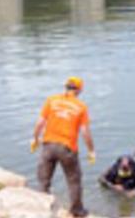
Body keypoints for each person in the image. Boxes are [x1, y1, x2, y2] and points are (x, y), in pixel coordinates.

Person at [31, 76, 95, 218]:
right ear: (79, 90)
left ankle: (42, 207)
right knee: (74, 180)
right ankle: (77, 210)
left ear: (65, 86)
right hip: (67, 148)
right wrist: (91, 151)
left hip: (48, 145)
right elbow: (85, 132)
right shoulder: (81, 107)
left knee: (44, 179)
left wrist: (35, 139)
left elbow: (40, 122)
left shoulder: (51, 100)